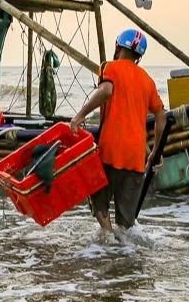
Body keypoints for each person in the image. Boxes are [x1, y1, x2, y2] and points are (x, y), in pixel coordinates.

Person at [70, 28, 167, 232]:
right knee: (126, 223)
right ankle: (122, 247)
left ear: (117, 47)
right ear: (139, 56)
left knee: (99, 202)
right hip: (136, 158)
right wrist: (156, 152)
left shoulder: (109, 67)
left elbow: (106, 90)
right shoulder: (147, 80)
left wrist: (80, 115)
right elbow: (161, 116)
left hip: (110, 151)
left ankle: (108, 239)